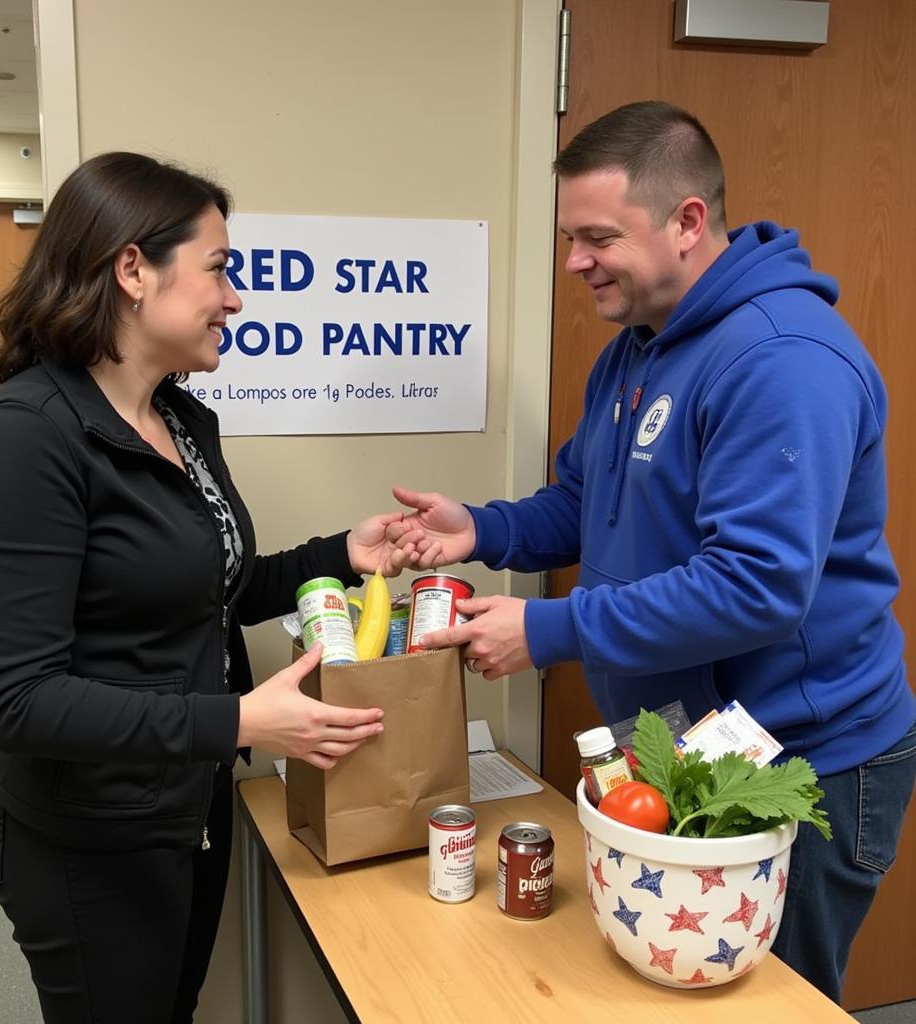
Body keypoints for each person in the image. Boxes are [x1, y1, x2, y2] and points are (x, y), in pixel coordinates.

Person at [386, 100, 916, 1002]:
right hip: (681, 748)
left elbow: (755, 587)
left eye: (597, 237)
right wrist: (481, 530)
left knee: (768, 1004)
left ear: (688, 221)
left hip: (804, 762)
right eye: (569, 238)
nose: (574, 263)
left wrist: (549, 629)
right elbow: (590, 505)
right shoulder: (634, 351)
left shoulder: (783, 360)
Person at [0, 151, 403, 1024]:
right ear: (132, 270)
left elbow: (208, 589)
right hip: (84, 840)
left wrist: (345, 550)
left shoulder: (181, 420)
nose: (236, 298)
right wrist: (238, 720)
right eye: (221, 269)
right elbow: (18, 700)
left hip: (186, 805)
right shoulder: (25, 442)